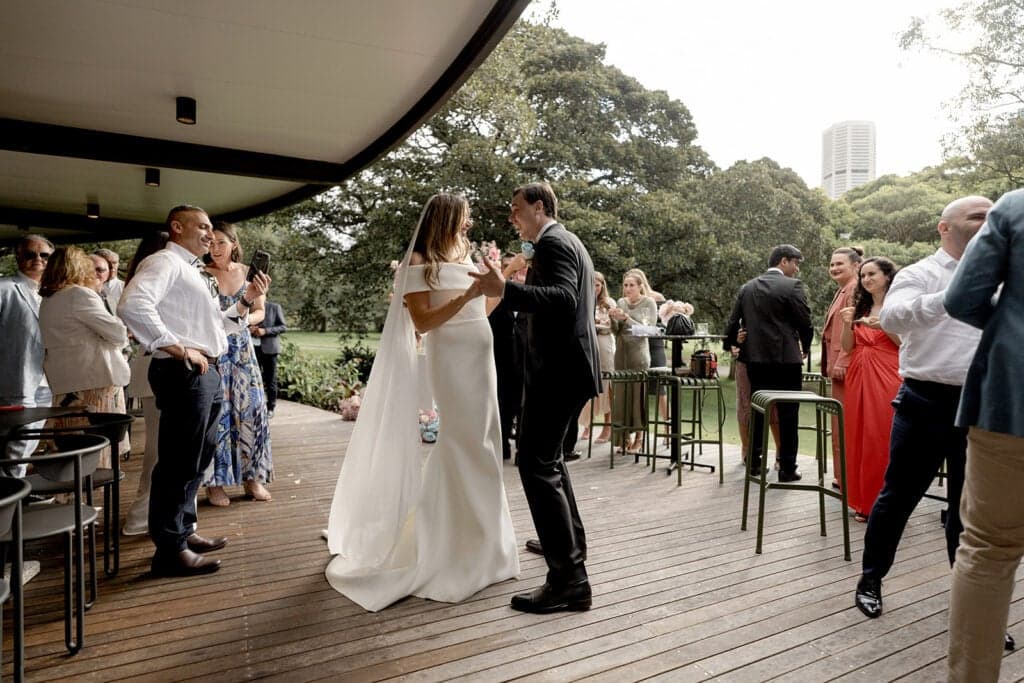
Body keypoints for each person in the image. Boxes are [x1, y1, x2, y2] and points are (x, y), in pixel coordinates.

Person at [325, 193, 518, 612]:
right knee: (460, 441)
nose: (469, 224)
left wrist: (495, 279)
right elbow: (424, 321)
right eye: (464, 217)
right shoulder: (417, 261)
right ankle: (444, 545)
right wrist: (466, 296)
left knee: (485, 441)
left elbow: (486, 308)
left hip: (480, 353)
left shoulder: (466, 254)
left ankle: (486, 545)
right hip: (450, 357)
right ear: (447, 217)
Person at [851, 196, 1013, 660]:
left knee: (969, 514)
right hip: (925, 401)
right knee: (898, 497)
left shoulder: (1008, 277)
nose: (989, 222)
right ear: (945, 228)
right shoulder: (919, 274)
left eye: (992, 215)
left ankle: (974, 611)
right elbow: (894, 317)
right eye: (977, 216)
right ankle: (871, 579)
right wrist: (963, 291)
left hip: (983, 405)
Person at [118, 205, 269, 577]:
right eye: (201, 227)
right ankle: (169, 550)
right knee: (177, 462)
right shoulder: (164, 263)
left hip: (207, 373)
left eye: (210, 229)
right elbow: (132, 305)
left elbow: (217, 326)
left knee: (198, 459)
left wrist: (247, 300)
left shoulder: (191, 271)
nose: (208, 234)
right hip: (183, 372)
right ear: (176, 227)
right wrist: (178, 347)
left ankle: (184, 532)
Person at [471, 181, 600, 614]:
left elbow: (563, 300)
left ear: (540, 208)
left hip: (558, 372)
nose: (512, 217)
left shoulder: (553, 244)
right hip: (568, 369)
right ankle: (567, 544)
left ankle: (569, 580)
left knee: (534, 464)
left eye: (516, 209)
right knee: (550, 462)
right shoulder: (567, 240)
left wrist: (504, 289)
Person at [944, 189, 1024, 680]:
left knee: (989, 551)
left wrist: (1011, 323)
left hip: (1010, 402)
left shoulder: (1015, 207)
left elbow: (963, 298)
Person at [724, 244, 813, 482]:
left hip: (754, 360)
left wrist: (734, 342)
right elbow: (805, 322)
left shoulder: (747, 287)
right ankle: (787, 469)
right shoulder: (792, 286)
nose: (796, 269)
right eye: (796, 263)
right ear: (784, 261)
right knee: (788, 413)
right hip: (786, 360)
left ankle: (753, 464)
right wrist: (805, 345)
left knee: (758, 411)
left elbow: (732, 324)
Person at [38, 247, 131, 467]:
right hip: (96, 382)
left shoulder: (49, 300)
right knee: (99, 450)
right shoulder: (79, 294)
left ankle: (71, 495)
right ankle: (92, 497)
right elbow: (118, 333)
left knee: (69, 446)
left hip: (65, 383)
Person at [202, 222, 272, 506]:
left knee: (252, 411)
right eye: (211, 243)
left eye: (221, 242)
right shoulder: (202, 274)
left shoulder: (248, 274)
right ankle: (215, 483)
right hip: (215, 352)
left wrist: (243, 320)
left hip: (243, 352)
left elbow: (260, 312)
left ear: (234, 244)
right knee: (218, 417)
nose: (215, 248)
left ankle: (252, 478)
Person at [838, 257, 901, 523]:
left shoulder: (898, 305)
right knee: (858, 434)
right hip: (858, 374)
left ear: (887, 275)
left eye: (871, 274)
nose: (866, 280)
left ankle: (885, 503)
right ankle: (861, 500)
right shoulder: (860, 306)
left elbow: (906, 343)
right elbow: (848, 346)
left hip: (887, 374)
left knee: (881, 436)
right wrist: (846, 323)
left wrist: (884, 324)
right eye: (863, 275)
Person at [121, 231, 170, 537]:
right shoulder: (155, 277)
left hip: (154, 368)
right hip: (159, 369)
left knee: (162, 450)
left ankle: (155, 515)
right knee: (158, 451)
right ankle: (141, 518)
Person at [0, 235, 54, 477]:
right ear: (18, 257)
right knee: (15, 444)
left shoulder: (56, 293)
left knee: (28, 444)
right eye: (30, 254)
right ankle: (10, 500)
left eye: (44, 255)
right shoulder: (5, 288)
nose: (37, 259)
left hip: (47, 380)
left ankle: (15, 495)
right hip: (15, 379)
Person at [820, 246, 863, 488]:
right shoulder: (842, 290)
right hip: (836, 366)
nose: (834, 268)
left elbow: (854, 328)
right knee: (839, 423)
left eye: (840, 264)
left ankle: (848, 477)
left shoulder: (855, 289)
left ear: (856, 265)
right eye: (832, 264)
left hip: (845, 366)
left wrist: (843, 359)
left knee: (845, 424)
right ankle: (842, 475)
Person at [609, 271, 657, 453]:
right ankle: (624, 437)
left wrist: (626, 318)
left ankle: (640, 437)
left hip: (639, 355)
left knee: (638, 396)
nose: (627, 289)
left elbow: (649, 331)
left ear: (640, 286)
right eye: (625, 285)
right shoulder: (621, 303)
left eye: (631, 285)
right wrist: (613, 318)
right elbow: (616, 330)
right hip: (621, 353)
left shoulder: (649, 303)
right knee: (621, 397)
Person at [488, 253, 528, 461]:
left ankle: (522, 447)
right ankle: (501, 444)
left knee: (523, 404)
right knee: (502, 402)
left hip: (524, 358)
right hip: (500, 356)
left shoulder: (526, 293)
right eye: (507, 268)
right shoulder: (494, 296)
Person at [581, 271, 616, 444]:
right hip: (588, 346)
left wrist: (596, 325)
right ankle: (588, 424)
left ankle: (607, 426)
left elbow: (611, 326)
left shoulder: (608, 303)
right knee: (588, 384)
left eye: (597, 284)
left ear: (602, 286)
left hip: (604, 346)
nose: (594, 288)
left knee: (607, 384)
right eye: (592, 284)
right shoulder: (583, 299)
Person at [251, 300, 287, 419]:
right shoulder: (248, 306)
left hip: (270, 350)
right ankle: (255, 407)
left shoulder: (274, 307)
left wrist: (265, 331)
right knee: (253, 379)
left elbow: (283, 327)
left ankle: (271, 407)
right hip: (251, 349)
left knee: (270, 379)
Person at [95, 248, 124, 313]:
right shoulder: (87, 288)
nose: (112, 267)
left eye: (114, 263)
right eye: (107, 263)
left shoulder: (126, 288)